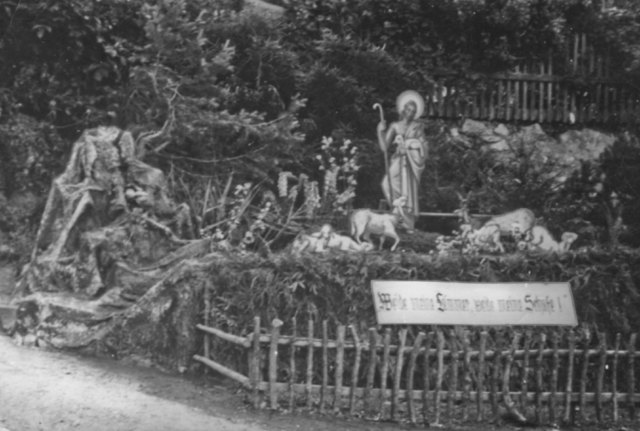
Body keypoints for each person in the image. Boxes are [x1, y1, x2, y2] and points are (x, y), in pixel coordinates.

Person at [376, 90, 429, 230]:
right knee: (386, 184)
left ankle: (406, 222)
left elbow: (423, 147)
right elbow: (384, 147)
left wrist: (411, 146)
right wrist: (379, 131)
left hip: (410, 163)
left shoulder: (417, 127)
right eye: (409, 110)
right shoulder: (395, 126)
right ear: (403, 110)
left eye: (414, 111)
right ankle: (397, 212)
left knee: (407, 191)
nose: (410, 113)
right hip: (398, 160)